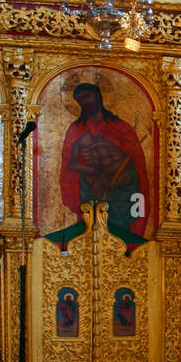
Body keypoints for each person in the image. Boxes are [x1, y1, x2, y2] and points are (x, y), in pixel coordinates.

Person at [58, 82, 151, 251]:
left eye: (87, 97)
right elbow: (70, 163)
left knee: (121, 224)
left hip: (122, 185)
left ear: (98, 97)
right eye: (80, 99)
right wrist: (94, 172)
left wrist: (115, 171)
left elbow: (134, 160)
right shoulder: (76, 129)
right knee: (92, 224)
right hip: (94, 185)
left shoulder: (120, 127)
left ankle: (124, 251)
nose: (84, 102)